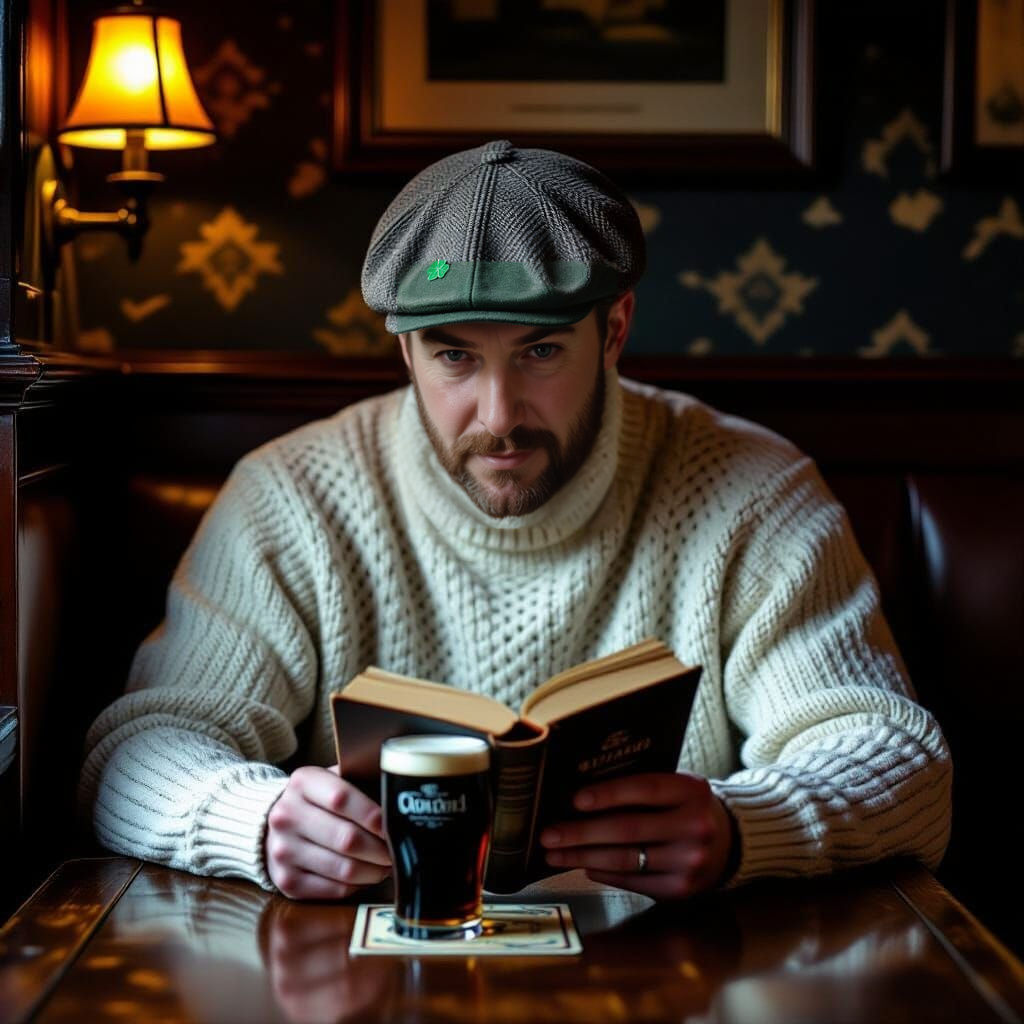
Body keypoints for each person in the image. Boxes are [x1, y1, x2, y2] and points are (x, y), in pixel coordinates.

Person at [80, 140, 951, 901]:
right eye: (455, 356)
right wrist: (257, 821)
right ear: (405, 349)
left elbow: (896, 760)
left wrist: (743, 828)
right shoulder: (291, 496)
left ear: (613, 329)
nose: (498, 413)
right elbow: (145, 748)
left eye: (540, 352)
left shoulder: (754, 491)